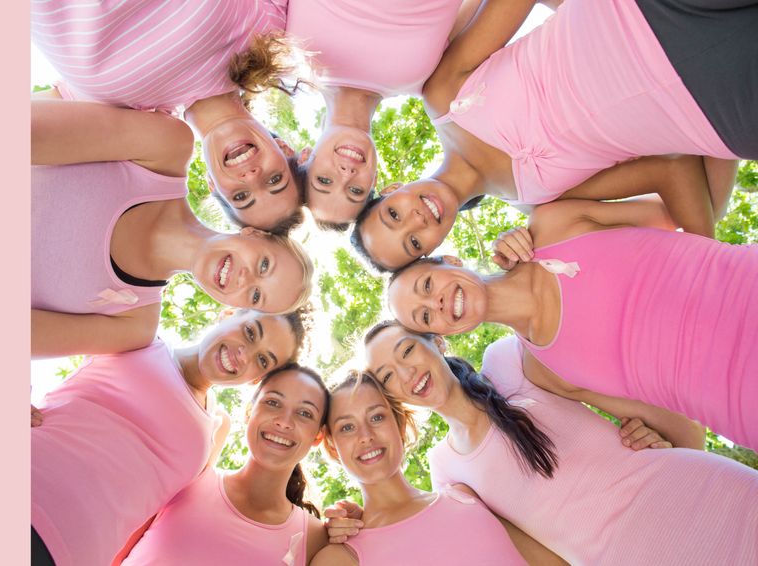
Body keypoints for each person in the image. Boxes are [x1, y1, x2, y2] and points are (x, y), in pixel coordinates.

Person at [351, 0, 750, 270]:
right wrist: (713, 264)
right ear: (436, 250)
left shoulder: (443, 96)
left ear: (392, 187)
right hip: (715, 112)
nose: (416, 220)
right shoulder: (541, 202)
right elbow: (673, 169)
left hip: (646, 12)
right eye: (414, 243)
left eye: (393, 215)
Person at [355, 329, 758, 564]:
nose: (407, 374)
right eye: (387, 376)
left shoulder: (510, 360)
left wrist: (663, 440)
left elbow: (658, 411)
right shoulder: (445, 470)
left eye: (407, 350)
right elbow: (540, 558)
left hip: (702, 494)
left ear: (437, 341)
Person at [386, 195, 758, 449]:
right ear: (444, 334)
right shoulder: (546, 374)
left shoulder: (552, 224)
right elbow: (688, 436)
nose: (434, 302)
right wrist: (651, 439)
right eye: (424, 316)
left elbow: (682, 200)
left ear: (450, 260)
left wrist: (711, 272)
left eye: (427, 285)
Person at [32, 97, 313, 357]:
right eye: (264, 265)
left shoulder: (133, 326)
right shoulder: (165, 150)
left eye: (255, 296)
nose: (245, 279)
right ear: (254, 233)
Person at [32, 308, 308, 566]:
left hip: (72, 555)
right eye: (250, 332)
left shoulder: (214, 429)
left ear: (255, 380)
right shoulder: (140, 340)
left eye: (262, 360)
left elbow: (149, 522)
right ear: (229, 313)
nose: (244, 354)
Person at [32, 0, 308, 232]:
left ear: (212, 184)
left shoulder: (127, 119)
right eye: (274, 180)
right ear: (284, 148)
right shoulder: (270, 35)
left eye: (241, 196)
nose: (251, 176)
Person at [312, 370, 560, 565]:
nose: (365, 435)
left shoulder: (464, 496)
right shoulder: (340, 558)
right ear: (333, 447)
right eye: (347, 427)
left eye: (377, 417)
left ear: (399, 424)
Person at [285, 0, 479, 230]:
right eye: (355, 191)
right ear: (374, 180)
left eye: (324, 181)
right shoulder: (428, 81)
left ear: (305, 157)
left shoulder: (290, 57)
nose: (346, 174)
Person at [121, 366, 330, 565]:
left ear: (318, 436)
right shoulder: (189, 476)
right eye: (273, 402)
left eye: (304, 413)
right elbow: (117, 549)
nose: (284, 422)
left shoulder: (315, 538)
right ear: (249, 411)